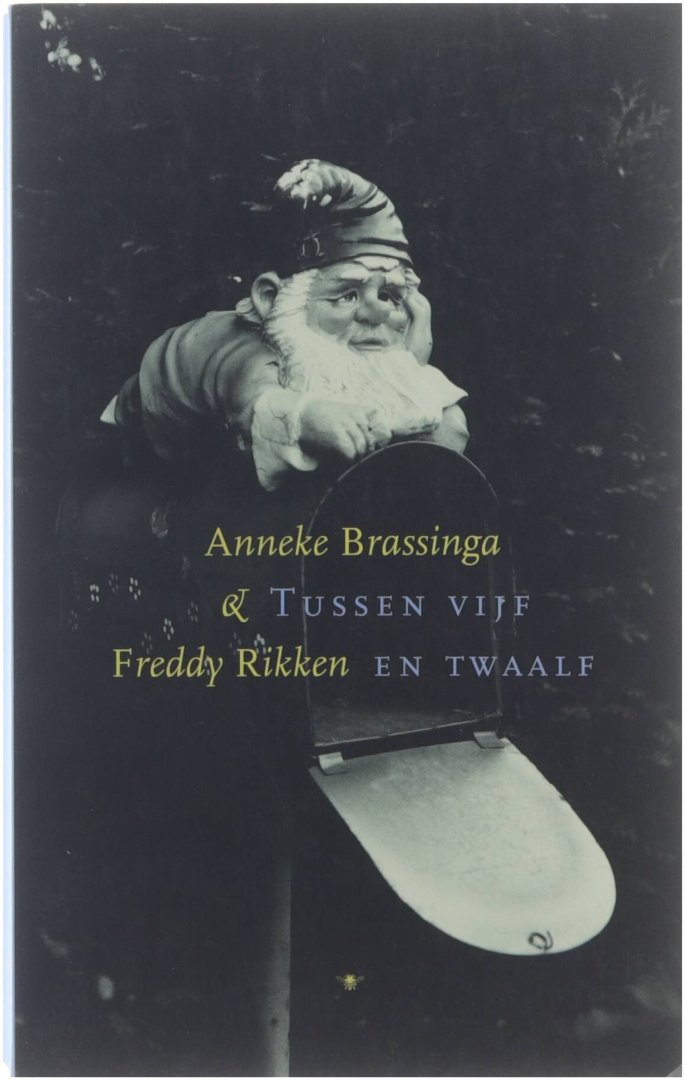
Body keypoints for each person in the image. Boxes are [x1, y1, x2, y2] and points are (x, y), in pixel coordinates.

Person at [101, 159, 469, 490]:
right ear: (271, 298)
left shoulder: (354, 347)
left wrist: (413, 359)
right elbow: (257, 401)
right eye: (347, 295)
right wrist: (307, 417)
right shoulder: (253, 354)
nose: (378, 314)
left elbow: (407, 399)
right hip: (153, 445)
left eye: (389, 296)